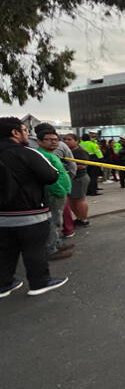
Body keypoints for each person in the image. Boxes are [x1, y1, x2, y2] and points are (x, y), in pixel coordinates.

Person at [0, 117, 68, 297]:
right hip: (30, 212)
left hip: (2, 217)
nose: (27, 134)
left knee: (5, 250)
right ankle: (40, 282)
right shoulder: (27, 153)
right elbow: (50, 176)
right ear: (15, 133)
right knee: (34, 249)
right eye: (24, 130)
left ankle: (4, 284)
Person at [36, 129, 73, 260]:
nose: (54, 142)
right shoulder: (43, 155)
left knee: (57, 220)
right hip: (55, 193)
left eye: (56, 140)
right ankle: (51, 249)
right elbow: (48, 177)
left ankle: (57, 243)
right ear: (39, 141)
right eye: (49, 140)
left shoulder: (51, 154)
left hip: (60, 192)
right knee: (53, 221)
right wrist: (59, 190)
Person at [63, 134, 91, 227]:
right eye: (65, 139)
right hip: (71, 178)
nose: (66, 141)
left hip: (79, 178)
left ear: (76, 141)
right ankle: (79, 218)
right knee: (72, 200)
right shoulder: (67, 151)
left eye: (69, 139)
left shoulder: (80, 152)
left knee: (80, 200)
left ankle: (83, 219)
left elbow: (83, 165)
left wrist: (67, 167)